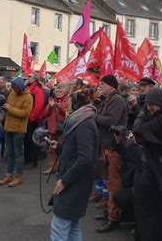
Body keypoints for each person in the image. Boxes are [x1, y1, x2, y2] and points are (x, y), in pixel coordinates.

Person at [49, 88, 98, 241]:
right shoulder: (79, 121)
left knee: (60, 226)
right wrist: (59, 147)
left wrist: (65, 181)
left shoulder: (85, 124)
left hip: (75, 183)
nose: (67, 107)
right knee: (72, 224)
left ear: (77, 106)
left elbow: (85, 158)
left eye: (69, 104)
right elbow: (75, 152)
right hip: (76, 181)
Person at [133, 88, 162, 241]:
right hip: (158, 168)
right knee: (160, 208)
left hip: (156, 169)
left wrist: (141, 115)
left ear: (159, 104)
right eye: (147, 104)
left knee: (149, 208)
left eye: (151, 104)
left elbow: (138, 130)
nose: (148, 108)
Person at [94, 75, 128, 233]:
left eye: (103, 84)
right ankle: (109, 211)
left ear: (112, 86)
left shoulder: (117, 100)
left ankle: (113, 218)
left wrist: (95, 117)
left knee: (113, 183)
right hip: (106, 145)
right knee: (108, 181)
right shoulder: (107, 99)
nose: (100, 87)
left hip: (114, 147)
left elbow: (111, 121)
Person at [0, 77, 33, 187]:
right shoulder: (12, 93)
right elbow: (8, 105)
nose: (14, 89)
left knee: (18, 153)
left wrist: (9, 109)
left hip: (18, 129)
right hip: (8, 127)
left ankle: (18, 176)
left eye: (16, 87)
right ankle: (9, 175)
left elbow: (25, 113)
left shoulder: (28, 97)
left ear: (21, 87)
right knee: (9, 153)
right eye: (13, 87)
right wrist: (4, 107)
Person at [44, 83, 69, 175]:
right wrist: (50, 106)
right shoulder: (52, 100)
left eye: (60, 91)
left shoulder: (68, 101)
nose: (58, 93)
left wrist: (59, 106)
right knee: (51, 149)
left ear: (65, 91)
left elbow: (68, 113)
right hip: (52, 128)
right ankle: (52, 167)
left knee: (62, 149)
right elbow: (45, 114)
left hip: (62, 129)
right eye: (57, 91)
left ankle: (61, 167)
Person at [25, 72, 45, 169]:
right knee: (28, 140)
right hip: (28, 119)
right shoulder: (29, 89)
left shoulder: (37, 90)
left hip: (33, 120)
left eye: (29, 76)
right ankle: (28, 159)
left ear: (35, 79)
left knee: (32, 141)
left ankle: (33, 161)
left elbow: (38, 106)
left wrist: (31, 118)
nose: (27, 78)